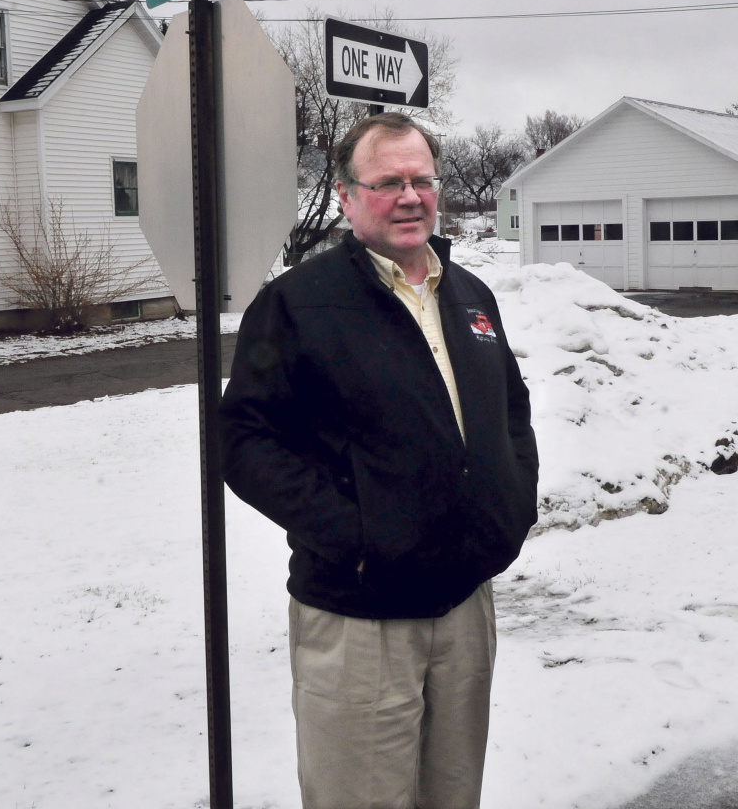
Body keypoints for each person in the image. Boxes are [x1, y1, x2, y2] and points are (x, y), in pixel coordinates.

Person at [219, 111, 538, 809]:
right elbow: (243, 439)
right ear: (346, 196)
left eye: (421, 179)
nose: (409, 195)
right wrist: (357, 536)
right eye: (388, 181)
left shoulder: (470, 296)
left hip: (464, 609)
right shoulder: (297, 305)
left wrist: (511, 506)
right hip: (362, 617)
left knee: (452, 798)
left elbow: (511, 409)